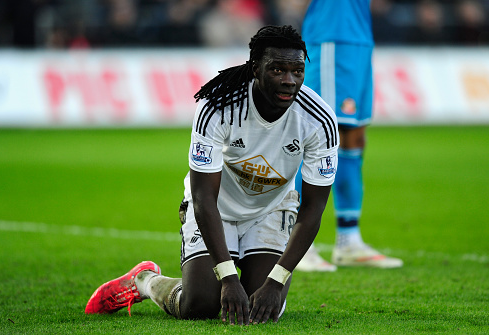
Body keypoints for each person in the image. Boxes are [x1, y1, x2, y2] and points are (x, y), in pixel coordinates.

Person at [84, 25, 339, 325]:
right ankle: (144, 280)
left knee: (264, 307)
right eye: (277, 70)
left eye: (297, 71)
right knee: (201, 304)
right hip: (215, 209)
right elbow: (203, 196)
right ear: (255, 69)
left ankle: (262, 281)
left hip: (272, 210)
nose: (289, 80)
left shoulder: (318, 120)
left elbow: (313, 209)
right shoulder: (218, 106)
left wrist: (277, 281)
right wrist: (228, 278)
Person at [295, 0, 403, 272]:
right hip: (333, 34)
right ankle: (295, 242)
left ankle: (349, 240)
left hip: (359, 39)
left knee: (354, 137)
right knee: (318, 132)